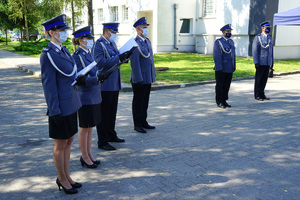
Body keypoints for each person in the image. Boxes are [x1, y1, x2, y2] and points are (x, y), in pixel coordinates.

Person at [40, 14, 83, 194]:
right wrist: (54, 110)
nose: (65, 33)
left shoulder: (64, 50)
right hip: (60, 107)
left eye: (65, 30)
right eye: (62, 30)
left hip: (71, 103)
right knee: (60, 144)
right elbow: (49, 86)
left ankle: (67, 175)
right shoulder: (48, 55)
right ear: (52, 32)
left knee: (69, 140)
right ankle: (61, 178)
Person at [92, 23, 129, 150]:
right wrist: (118, 58)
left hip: (114, 83)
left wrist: (124, 57)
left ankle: (111, 134)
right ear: (107, 31)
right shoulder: (99, 44)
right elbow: (100, 62)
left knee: (112, 112)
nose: (115, 35)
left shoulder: (111, 43)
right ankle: (102, 141)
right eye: (113, 32)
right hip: (105, 84)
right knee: (103, 114)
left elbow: (116, 57)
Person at [72, 26, 101, 168]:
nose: (90, 41)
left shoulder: (88, 54)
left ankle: (89, 154)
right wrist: (96, 79)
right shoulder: (77, 56)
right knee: (85, 127)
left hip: (93, 95)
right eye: (88, 39)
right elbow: (79, 78)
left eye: (91, 38)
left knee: (90, 127)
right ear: (80, 40)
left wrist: (100, 76)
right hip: (84, 97)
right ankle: (84, 156)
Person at [130, 17, 156, 133]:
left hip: (147, 77)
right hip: (139, 78)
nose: (146, 30)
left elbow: (150, 59)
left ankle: (144, 121)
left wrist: (152, 76)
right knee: (138, 102)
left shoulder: (147, 41)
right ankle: (137, 124)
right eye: (144, 28)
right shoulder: (135, 43)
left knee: (145, 101)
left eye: (146, 27)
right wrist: (138, 78)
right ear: (138, 29)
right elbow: (134, 64)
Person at [213, 24, 236, 108]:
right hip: (221, 68)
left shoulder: (231, 42)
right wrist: (219, 68)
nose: (229, 33)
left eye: (230, 31)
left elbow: (233, 55)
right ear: (223, 33)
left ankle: (224, 100)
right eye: (227, 31)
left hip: (229, 67)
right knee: (220, 85)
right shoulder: (218, 42)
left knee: (227, 85)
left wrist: (234, 66)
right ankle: (219, 101)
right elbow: (217, 56)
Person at [252, 21, 274, 101]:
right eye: (267, 28)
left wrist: (272, 61)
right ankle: (257, 94)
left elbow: (271, 51)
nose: (268, 29)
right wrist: (256, 62)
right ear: (262, 28)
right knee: (258, 79)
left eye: (269, 28)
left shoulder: (270, 37)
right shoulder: (258, 37)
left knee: (264, 79)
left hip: (267, 62)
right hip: (260, 62)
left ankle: (262, 93)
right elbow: (255, 51)